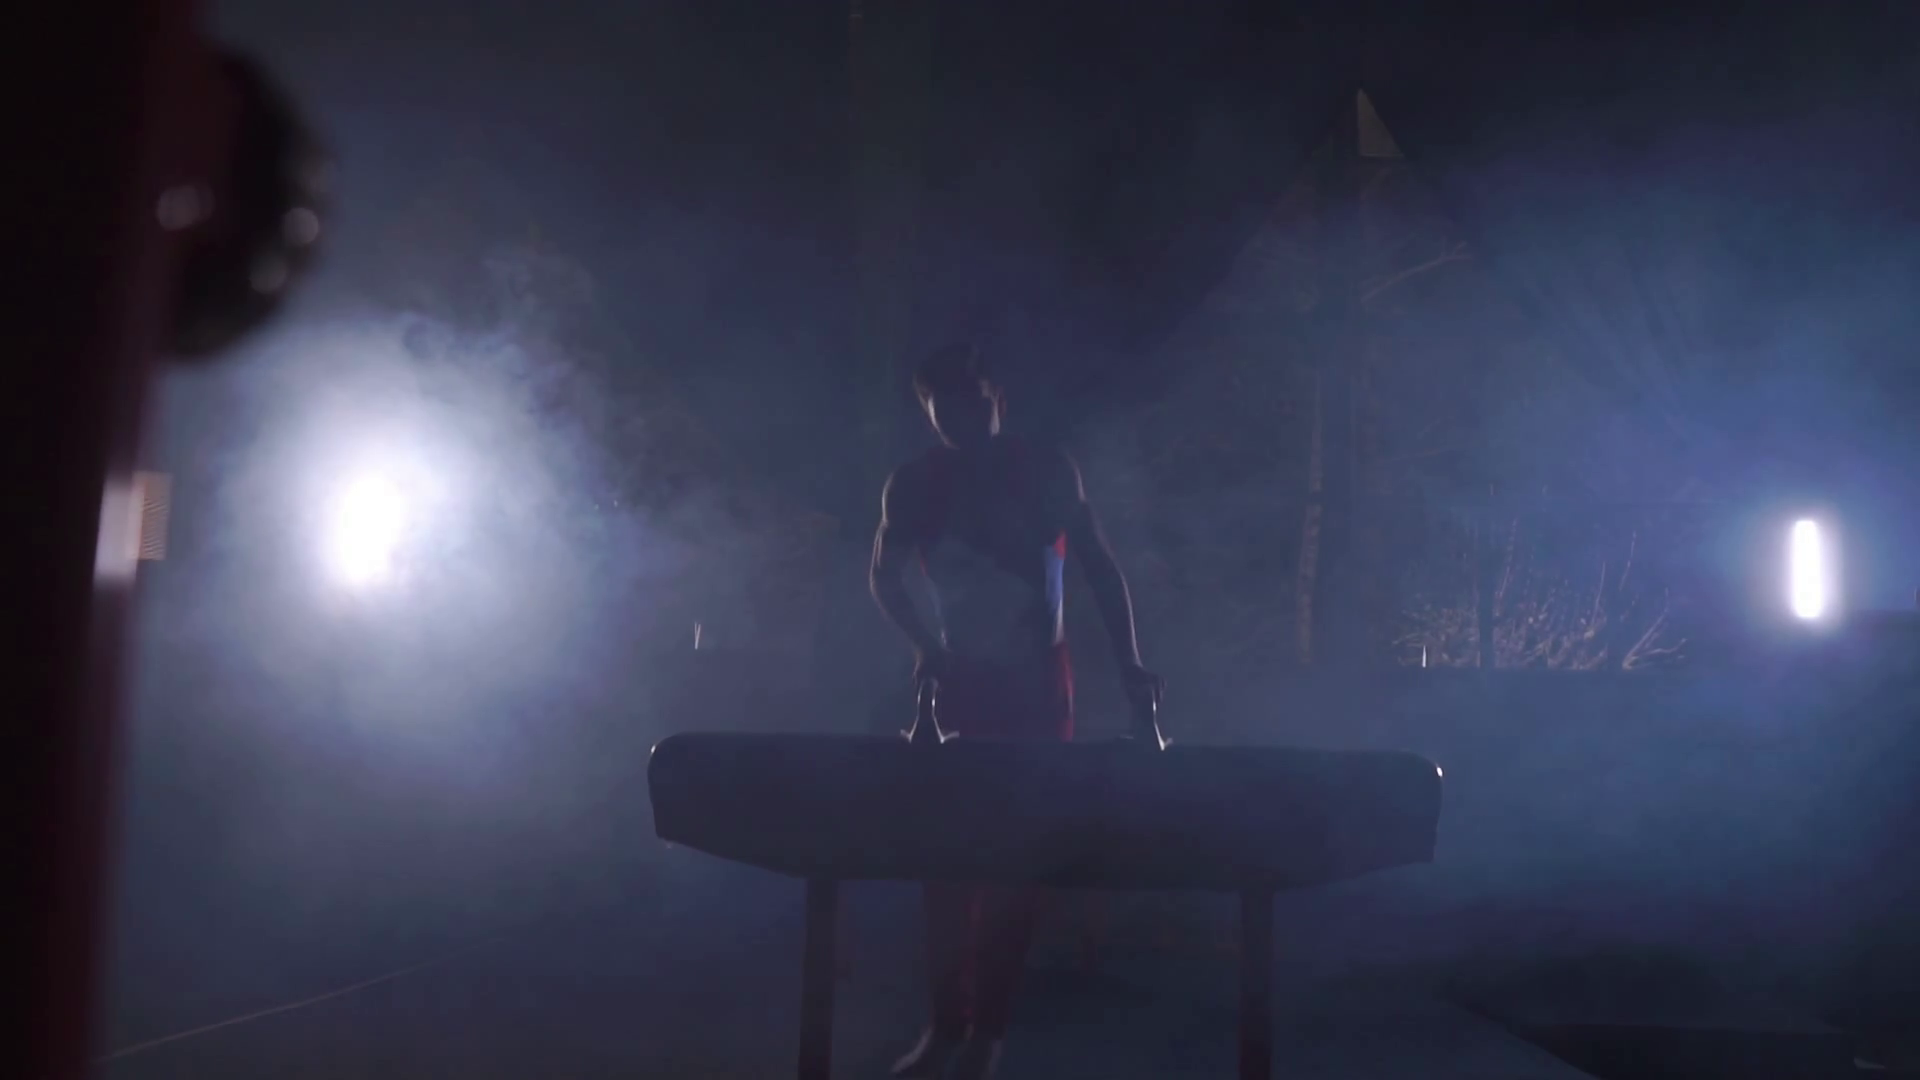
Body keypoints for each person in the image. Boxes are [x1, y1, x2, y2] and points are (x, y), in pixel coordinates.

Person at [869, 341, 1163, 1078]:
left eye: (970, 406)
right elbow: (883, 574)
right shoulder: (914, 482)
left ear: (997, 400)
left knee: (1014, 860)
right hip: (960, 676)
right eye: (942, 410)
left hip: (1037, 682)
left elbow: (1100, 568)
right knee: (946, 858)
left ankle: (987, 1035)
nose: (957, 421)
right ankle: (947, 1026)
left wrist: (1131, 663)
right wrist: (923, 645)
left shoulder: (1045, 470)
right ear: (927, 411)